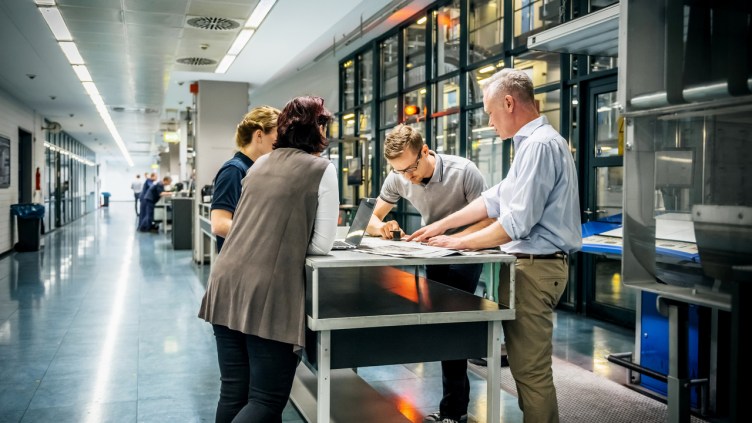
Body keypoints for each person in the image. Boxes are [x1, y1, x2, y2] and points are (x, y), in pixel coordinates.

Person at [409, 68, 582, 423]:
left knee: (531, 373)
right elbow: (494, 200)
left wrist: (457, 243)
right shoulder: (531, 145)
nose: (489, 121)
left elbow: (514, 223)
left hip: (536, 267)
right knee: (524, 370)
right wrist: (441, 225)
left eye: (490, 112)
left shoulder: (539, 145)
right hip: (529, 267)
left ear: (509, 102)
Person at [198, 96, 338, 423]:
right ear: (317, 129)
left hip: (226, 282)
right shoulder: (322, 169)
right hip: (269, 292)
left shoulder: (259, 164)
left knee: (234, 391)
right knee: (265, 400)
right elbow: (320, 243)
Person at [365, 124, 488, 423]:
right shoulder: (398, 175)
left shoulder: (465, 171)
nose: (407, 177)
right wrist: (381, 228)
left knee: (452, 326)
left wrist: (457, 239)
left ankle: (453, 411)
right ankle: (453, 408)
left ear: (425, 150)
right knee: (437, 326)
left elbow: (489, 219)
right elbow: (371, 217)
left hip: (466, 252)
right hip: (431, 251)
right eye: (399, 171)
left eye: (410, 169)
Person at [210, 106, 280, 253]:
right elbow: (219, 224)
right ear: (259, 135)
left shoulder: (256, 169)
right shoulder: (234, 170)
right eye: (277, 135)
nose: (280, 143)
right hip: (237, 261)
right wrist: (265, 236)